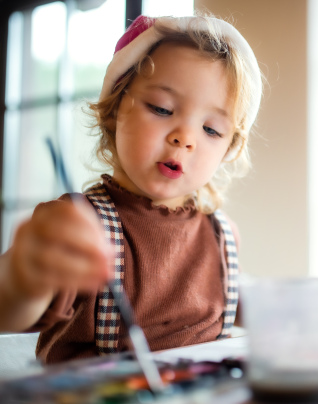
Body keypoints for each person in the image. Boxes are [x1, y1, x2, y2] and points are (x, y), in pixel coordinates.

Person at [0, 12, 262, 364]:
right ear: (114, 109)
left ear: (229, 148)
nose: (184, 138)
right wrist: (24, 278)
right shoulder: (76, 224)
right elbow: (11, 310)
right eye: (161, 108)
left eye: (212, 129)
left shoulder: (222, 235)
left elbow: (237, 305)